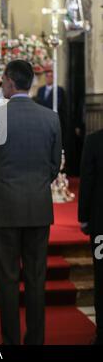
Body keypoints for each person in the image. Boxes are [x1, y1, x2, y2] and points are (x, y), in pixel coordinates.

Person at [0, 60, 62, 345]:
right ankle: (36, 340)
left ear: (11, 82)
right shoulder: (50, 118)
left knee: (7, 278)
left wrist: (2, 190)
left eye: (3, 80)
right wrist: (38, 186)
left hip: (6, 208)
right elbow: (54, 165)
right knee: (37, 278)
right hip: (39, 206)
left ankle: (11, 341)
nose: (2, 84)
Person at [78, 130, 103, 345]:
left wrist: (84, 218)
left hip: (101, 226)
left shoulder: (95, 140)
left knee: (101, 275)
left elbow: (87, 180)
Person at [36, 69, 67, 146]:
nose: (49, 78)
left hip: (53, 118)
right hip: (42, 120)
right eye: (47, 76)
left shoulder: (59, 90)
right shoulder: (41, 90)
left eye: (51, 76)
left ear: (54, 78)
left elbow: (58, 104)